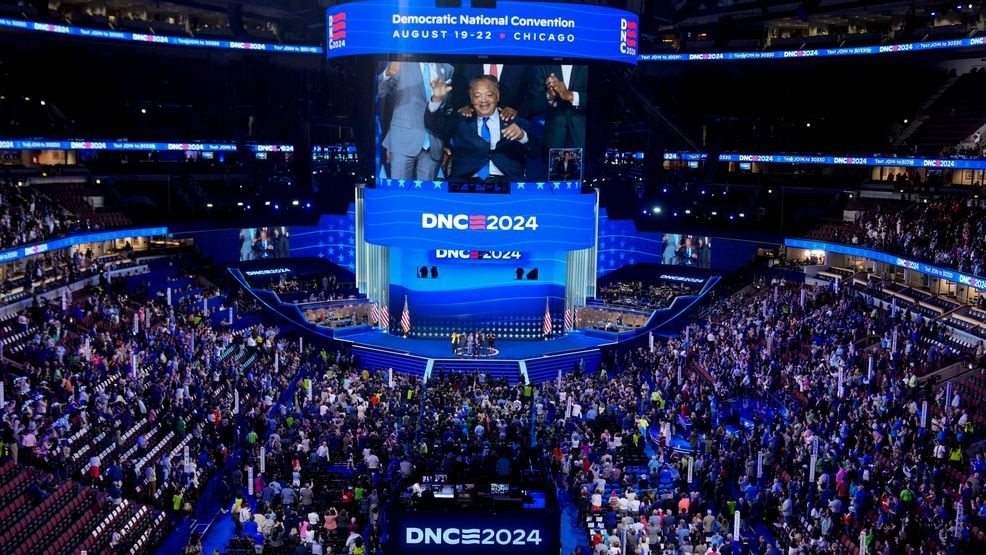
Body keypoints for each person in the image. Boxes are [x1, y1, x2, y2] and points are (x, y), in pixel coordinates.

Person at [425, 75, 536, 182]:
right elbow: (434, 124)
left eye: (489, 94)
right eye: (477, 96)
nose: (483, 100)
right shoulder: (461, 120)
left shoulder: (514, 121)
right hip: (465, 182)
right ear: (471, 98)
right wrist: (437, 99)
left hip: (508, 181)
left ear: (497, 96)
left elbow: (536, 150)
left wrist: (522, 136)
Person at [377, 60, 454, 180]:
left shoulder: (448, 68)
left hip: (433, 143)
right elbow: (379, 91)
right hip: (402, 142)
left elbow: (447, 109)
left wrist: (445, 143)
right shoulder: (401, 64)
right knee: (400, 194)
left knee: (426, 196)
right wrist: (387, 73)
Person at [532, 64, 588, 149]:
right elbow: (534, 104)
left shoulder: (590, 58)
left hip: (584, 138)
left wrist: (570, 95)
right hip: (554, 138)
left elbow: (602, 97)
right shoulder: (544, 64)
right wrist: (549, 96)